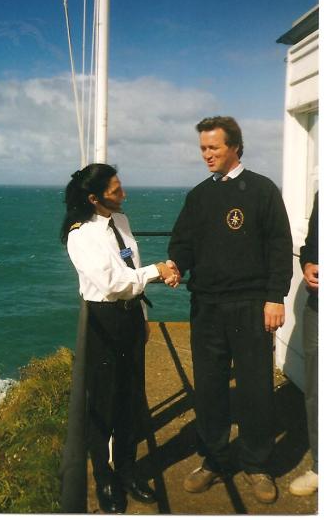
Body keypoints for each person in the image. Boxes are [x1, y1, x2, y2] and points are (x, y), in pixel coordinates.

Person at [168, 116, 293, 504]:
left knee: (255, 387)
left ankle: (257, 465)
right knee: (209, 388)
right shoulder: (199, 196)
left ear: (235, 146)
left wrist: (275, 297)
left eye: (213, 148)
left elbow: (278, 246)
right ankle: (214, 460)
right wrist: (175, 264)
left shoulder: (261, 191)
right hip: (206, 306)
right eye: (203, 148)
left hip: (251, 306)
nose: (206, 155)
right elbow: (183, 242)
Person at [61, 163, 179, 514]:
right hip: (104, 321)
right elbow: (111, 283)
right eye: (116, 190)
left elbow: (130, 275)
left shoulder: (122, 223)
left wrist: (143, 318)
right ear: (94, 198)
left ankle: (127, 470)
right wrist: (156, 271)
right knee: (104, 404)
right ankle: (104, 478)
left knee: (130, 399)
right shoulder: (80, 235)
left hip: (129, 318)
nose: (123, 193)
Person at [289, 192, 318, 496]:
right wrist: (308, 263)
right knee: (316, 390)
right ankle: (320, 467)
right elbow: (311, 243)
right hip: (317, 307)